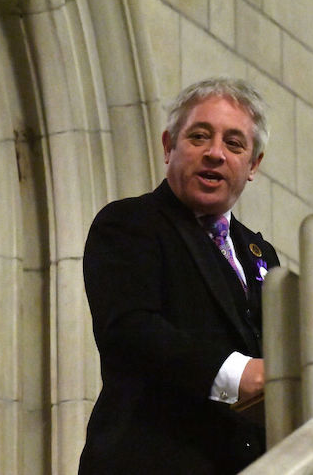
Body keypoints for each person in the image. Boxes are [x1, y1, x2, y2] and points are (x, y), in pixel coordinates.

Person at [78, 77, 280, 474]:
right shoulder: (130, 222)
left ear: (253, 165)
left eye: (234, 143)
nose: (215, 153)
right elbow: (130, 331)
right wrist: (239, 374)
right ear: (169, 146)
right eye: (199, 136)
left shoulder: (261, 255)